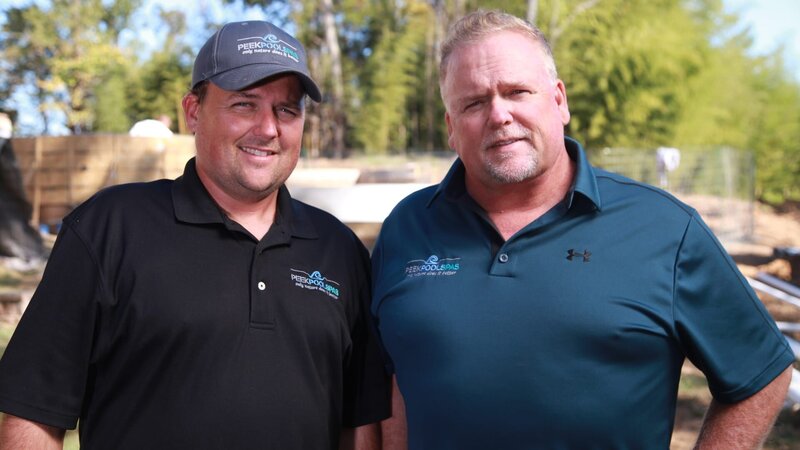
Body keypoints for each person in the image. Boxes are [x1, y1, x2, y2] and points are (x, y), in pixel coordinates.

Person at [371, 10, 793, 449]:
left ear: (559, 101)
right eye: (473, 103)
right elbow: (393, 378)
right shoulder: (408, 226)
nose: (499, 115)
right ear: (451, 129)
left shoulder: (664, 228)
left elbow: (761, 372)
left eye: (517, 91)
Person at [0, 20, 390, 449]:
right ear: (193, 111)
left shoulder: (339, 250)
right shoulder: (110, 228)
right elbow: (32, 415)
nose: (268, 128)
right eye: (245, 104)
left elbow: (360, 425)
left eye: (287, 109)